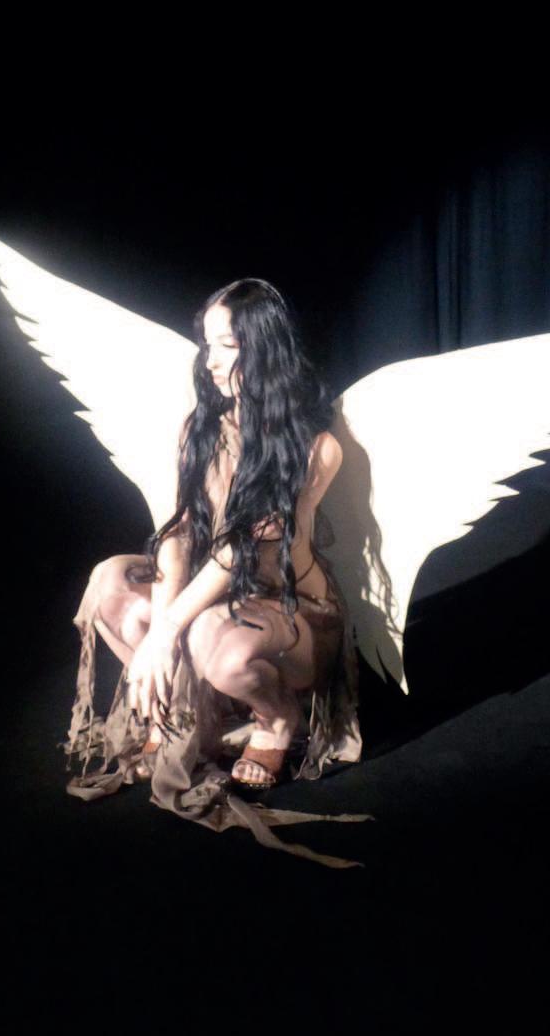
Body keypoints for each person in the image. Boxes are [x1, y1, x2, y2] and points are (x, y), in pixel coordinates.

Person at [62, 278, 372, 867]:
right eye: (208, 344)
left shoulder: (314, 448)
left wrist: (168, 630)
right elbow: (179, 535)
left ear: (266, 350)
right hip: (213, 600)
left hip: (292, 612)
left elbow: (242, 550)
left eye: (228, 345)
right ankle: (185, 710)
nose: (210, 361)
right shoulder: (200, 429)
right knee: (110, 583)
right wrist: (159, 636)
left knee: (210, 637)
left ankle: (276, 717)